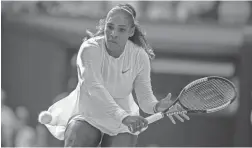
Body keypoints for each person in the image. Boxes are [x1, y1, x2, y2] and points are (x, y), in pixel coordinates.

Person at [40, 3, 190, 147]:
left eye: (121, 30)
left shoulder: (139, 56)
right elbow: (94, 88)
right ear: (104, 26)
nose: (113, 34)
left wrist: (157, 106)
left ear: (131, 31)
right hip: (89, 114)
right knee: (79, 136)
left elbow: (145, 98)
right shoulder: (90, 49)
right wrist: (123, 117)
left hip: (122, 119)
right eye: (110, 27)